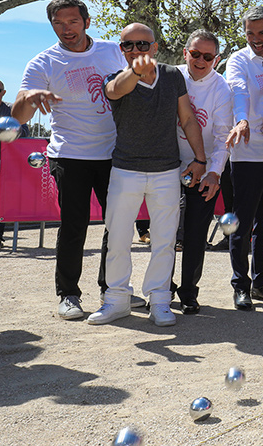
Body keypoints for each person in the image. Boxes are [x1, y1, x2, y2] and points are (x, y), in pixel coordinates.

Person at [12, 0, 134, 320]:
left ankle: (113, 289)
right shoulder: (42, 63)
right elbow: (19, 116)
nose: (66, 29)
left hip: (115, 154)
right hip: (70, 154)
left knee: (119, 225)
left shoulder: (113, 51)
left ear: (87, 21)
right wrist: (30, 97)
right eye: (59, 23)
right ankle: (68, 294)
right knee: (73, 225)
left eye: (73, 21)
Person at [88, 23, 207, 326]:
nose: (136, 50)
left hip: (166, 171)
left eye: (143, 44)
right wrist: (137, 71)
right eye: (129, 45)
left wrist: (200, 158)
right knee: (117, 237)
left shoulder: (172, 76)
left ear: (155, 47)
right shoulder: (116, 78)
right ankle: (116, 299)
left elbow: (188, 119)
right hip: (125, 169)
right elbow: (116, 90)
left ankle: (160, 299)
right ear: (121, 50)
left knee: (165, 240)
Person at [224, 6, 263, 311]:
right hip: (247, 150)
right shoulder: (238, 60)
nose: (255, 39)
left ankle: (260, 281)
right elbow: (239, 91)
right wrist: (241, 120)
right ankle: (241, 285)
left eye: (261, 32)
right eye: (250, 33)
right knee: (242, 220)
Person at [172, 30, 233, 314]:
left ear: (217, 60)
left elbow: (223, 137)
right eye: (195, 54)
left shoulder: (222, 89)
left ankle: (188, 292)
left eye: (207, 56)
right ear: (185, 53)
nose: (200, 60)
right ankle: (162, 288)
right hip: (169, 165)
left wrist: (214, 173)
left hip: (205, 167)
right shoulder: (171, 77)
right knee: (165, 233)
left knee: (196, 233)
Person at [0, 78, 29, 251]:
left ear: (3, 93)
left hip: (5, 165)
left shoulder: (11, 110)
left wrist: (4, 133)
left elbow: (25, 131)